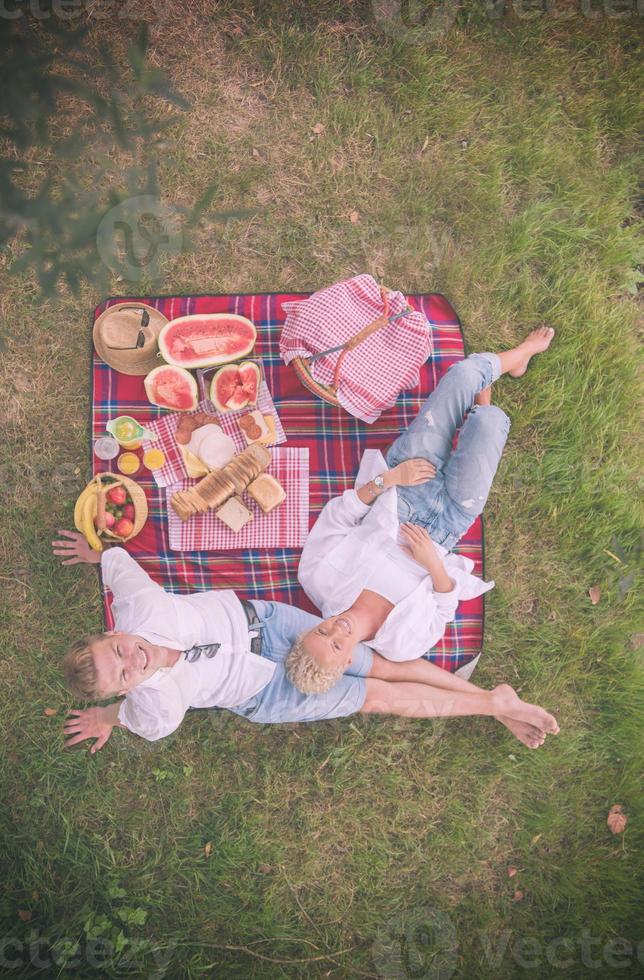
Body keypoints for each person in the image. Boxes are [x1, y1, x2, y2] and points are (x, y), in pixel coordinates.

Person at [53, 533, 559, 753]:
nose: (131, 660)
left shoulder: (141, 605)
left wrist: (97, 556)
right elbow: (135, 718)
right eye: (122, 675)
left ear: (115, 629)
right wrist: (107, 717)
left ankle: (496, 702)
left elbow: (118, 565)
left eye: (117, 649)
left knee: (378, 664)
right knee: (376, 697)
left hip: (269, 623)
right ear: (126, 688)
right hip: (267, 692)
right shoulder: (154, 706)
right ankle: (493, 703)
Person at [287, 327, 556, 695]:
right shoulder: (401, 646)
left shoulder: (317, 580)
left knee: (462, 374)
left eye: (322, 630)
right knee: (491, 424)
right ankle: (483, 406)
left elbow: (340, 514)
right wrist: (433, 563)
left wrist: (389, 479)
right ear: (349, 660)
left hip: (402, 491)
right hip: (447, 525)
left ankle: (519, 354)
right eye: (336, 644)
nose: (336, 628)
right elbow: (445, 608)